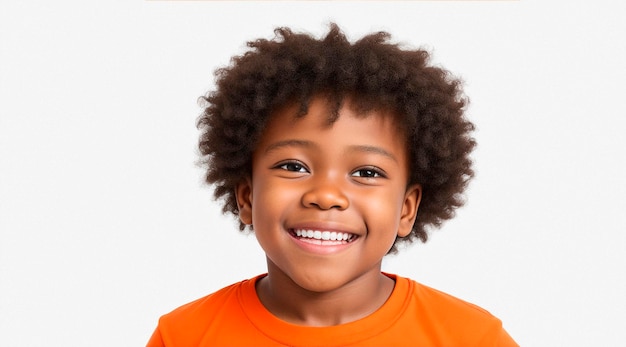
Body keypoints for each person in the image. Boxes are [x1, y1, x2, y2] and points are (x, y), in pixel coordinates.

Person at [147, 24, 517, 346]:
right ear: (246, 196)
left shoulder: (471, 338)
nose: (326, 196)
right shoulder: (184, 336)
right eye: (293, 166)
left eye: (367, 173)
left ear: (407, 208)